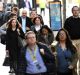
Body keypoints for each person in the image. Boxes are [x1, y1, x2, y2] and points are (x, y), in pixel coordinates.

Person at [64, 6, 80, 75]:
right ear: (72, 11)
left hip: (79, 41)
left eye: (77, 10)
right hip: (71, 41)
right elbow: (65, 31)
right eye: (74, 10)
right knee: (74, 58)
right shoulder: (68, 20)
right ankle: (74, 73)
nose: (76, 11)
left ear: (79, 11)